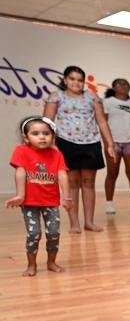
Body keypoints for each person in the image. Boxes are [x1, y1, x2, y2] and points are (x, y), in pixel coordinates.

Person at [43, 65, 116, 233]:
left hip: (90, 143)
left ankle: (89, 222)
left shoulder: (93, 98)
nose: (76, 83)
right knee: (72, 184)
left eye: (80, 80)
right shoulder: (56, 97)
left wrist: (110, 143)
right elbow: (47, 121)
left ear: (84, 82)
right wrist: (49, 144)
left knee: (89, 183)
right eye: (72, 79)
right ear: (65, 80)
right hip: (66, 143)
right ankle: (74, 223)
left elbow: (102, 122)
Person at [5, 117, 72, 276]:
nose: (42, 137)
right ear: (26, 137)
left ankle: (51, 262)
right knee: (34, 233)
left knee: (54, 233)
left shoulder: (56, 154)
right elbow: (20, 172)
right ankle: (31, 265)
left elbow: (62, 175)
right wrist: (20, 195)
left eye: (46, 133)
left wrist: (67, 198)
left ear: (52, 136)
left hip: (51, 202)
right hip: (30, 202)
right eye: (36, 133)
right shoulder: (21, 151)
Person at [102, 78, 130, 214]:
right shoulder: (107, 103)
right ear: (114, 87)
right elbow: (102, 123)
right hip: (113, 143)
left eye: (126, 84)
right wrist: (107, 142)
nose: (123, 86)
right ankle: (109, 204)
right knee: (112, 173)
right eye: (120, 84)